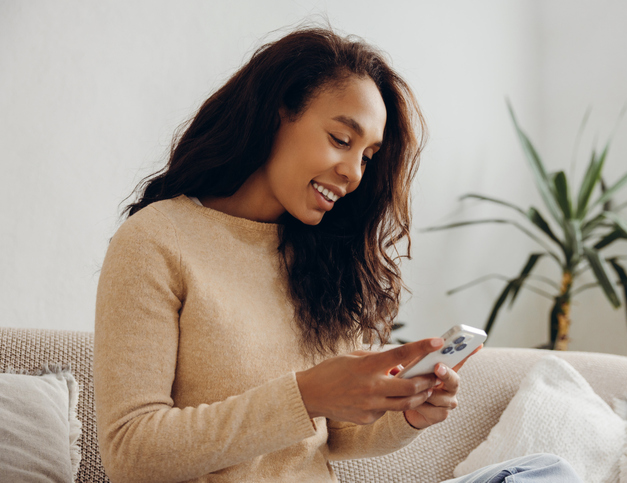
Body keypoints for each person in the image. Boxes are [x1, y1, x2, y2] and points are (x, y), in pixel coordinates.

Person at [94, 26, 582, 483]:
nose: (354, 173)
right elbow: (130, 453)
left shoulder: (318, 258)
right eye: (342, 140)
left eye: (367, 157)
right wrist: (306, 393)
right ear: (278, 111)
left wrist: (406, 413)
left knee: (546, 472)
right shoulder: (157, 240)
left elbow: (335, 433)